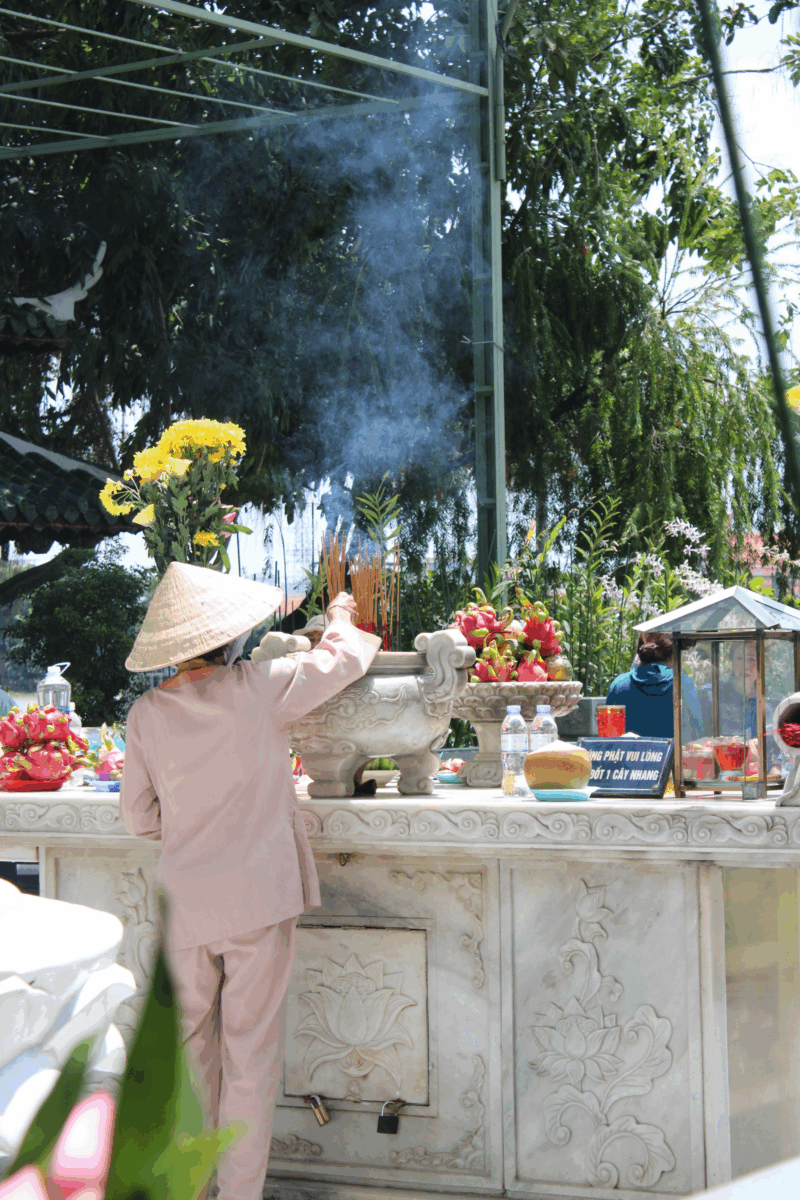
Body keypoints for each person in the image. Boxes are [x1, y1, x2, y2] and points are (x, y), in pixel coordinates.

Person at [119, 562, 380, 1200]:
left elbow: (139, 818)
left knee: (186, 1063)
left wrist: (190, 822)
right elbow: (343, 660)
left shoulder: (146, 712)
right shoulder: (261, 686)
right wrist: (340, 615)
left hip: (186, 905)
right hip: (259, 900)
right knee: (249, 1060)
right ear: (230, 637)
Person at [605, 631, 702, 739]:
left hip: (627, 750)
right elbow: (697, 733)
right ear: (675, 652)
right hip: (671, 750)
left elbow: (608, 737)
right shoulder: (682, 683)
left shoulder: (618, 684)